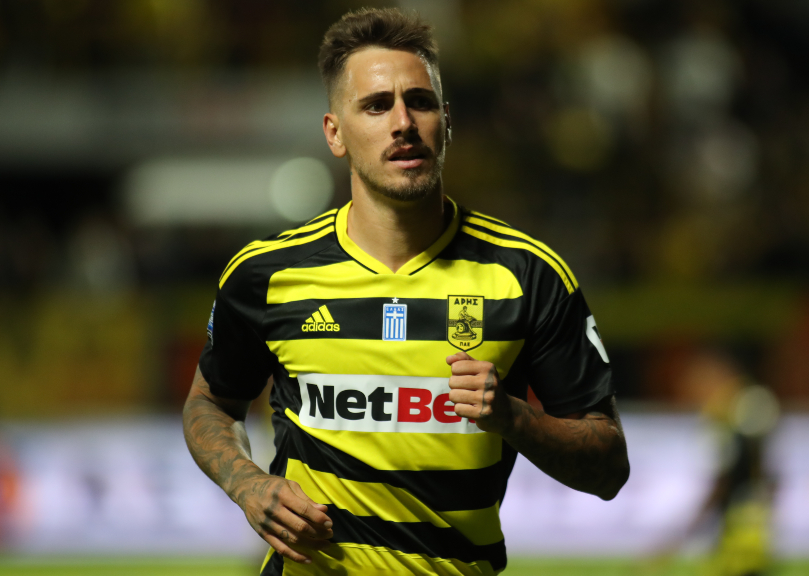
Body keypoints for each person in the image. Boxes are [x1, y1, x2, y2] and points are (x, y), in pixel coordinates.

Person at [182, 8, 629, 576]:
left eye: (419, 102)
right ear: (335, 133)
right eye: (376, 105)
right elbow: (209, 403)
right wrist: (247, 483)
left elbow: (609, 468)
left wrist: (515, 419)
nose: (402, 123)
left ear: (447, 121)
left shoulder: (529, 275)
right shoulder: (266, 274)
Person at [658, 347, 780, 576]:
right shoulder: (736, 411)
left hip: (741, 530)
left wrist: (683, 534)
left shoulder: (737, 413)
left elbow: (729, 478)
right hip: (746, 524)